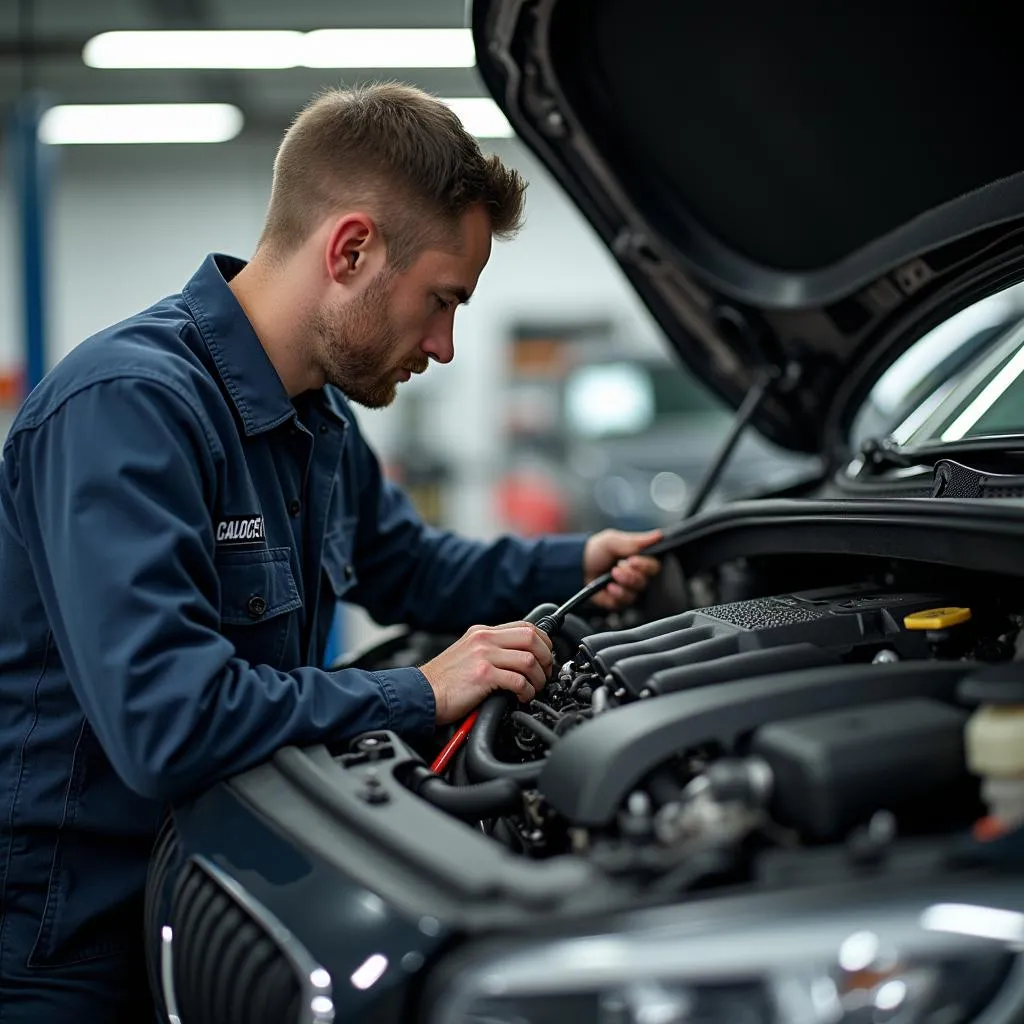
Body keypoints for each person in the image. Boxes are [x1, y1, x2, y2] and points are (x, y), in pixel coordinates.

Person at [0, 83, 662, 1021]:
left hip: (211, 895)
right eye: (441, 300)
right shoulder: (129, 408)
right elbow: (168, 721)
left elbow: (411, 567)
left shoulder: (318, 419)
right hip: (66, 957)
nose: (442, 345)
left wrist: (583, 564)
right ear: (351, 249)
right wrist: (421, 691)